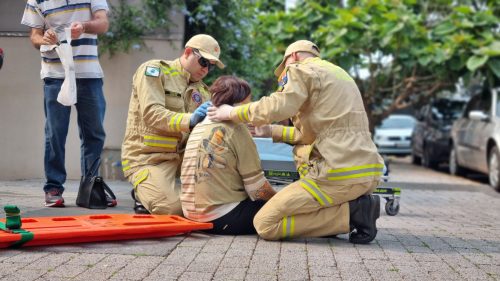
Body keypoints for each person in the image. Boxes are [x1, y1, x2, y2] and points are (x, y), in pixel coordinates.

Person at [208, 40, 384, 244]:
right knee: (295, 210)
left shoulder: (300, 70)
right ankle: (355, 209)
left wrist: (231, 112)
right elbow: (310, 135)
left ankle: (353, 212)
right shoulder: (340, 75)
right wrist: (269, 131)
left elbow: (278, 106)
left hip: (334, 175)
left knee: (265, 223)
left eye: (283, 71)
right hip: (366, 171)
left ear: (292, 57)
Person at [121, 34, 224, 215]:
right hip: (148, 158)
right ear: (187, 52)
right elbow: (152, 113)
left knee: (221, 190)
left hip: (181, 158)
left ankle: (157, 190)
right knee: (172, 209)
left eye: (211, 66)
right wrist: (189, 120)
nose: (206, 69)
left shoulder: (203, 91)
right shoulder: (154, 70)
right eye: (204, 62)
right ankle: (144, 191)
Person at [21, 0, 109, 207]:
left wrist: (84, 26)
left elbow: (103, 23)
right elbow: (34, 37)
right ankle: (53, 187)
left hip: (89, 73)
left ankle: (91, 188)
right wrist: (45, 38)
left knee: (94, 133)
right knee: (55, 133)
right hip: (54, 74)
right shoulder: (36, 1)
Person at [180, 76, 276, 235]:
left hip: (189, 214)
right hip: (221, 218)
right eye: (248, 102)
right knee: (285, 207)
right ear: (240, 103)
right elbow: (257, 189)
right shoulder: (236, 128)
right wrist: (279, 198)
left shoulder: (198, 125)